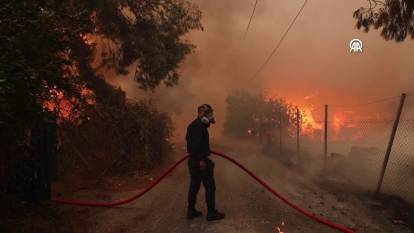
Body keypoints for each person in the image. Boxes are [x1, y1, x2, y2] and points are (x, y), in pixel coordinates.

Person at [186, 104, 225, 221]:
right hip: (200, 162)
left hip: (193, 162)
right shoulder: (199, 127)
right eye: (209, 114)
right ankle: (212, 213)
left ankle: (191, 211)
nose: (211, 116)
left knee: (194, 186)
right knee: (210, 187)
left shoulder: (192, 125)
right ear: (202, 113)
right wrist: (202, 160)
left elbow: (189, 144)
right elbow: (196, 145)